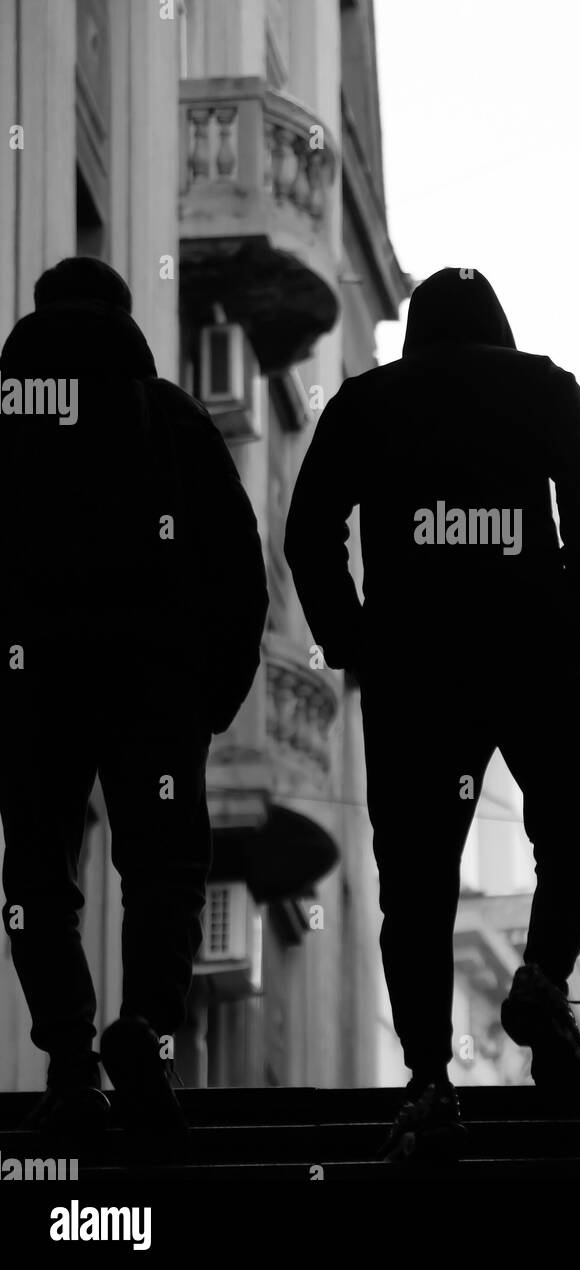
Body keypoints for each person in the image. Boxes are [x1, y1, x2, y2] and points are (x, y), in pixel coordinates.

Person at [285, 267, 580, 1162]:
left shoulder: (368, 403)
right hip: (535, 647)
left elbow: (307, 527)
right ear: (496, 329)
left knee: (418, 876)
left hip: (416, 662)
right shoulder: (543, 387)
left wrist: (351, 634)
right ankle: (543, 979)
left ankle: (430, 1083)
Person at [0, 258, 268, 1137]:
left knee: (39, 872)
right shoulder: (172, 416)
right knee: (165, 868)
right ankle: (146, 1030)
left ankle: (70, 1062)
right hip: (154, 686)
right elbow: (240, 570)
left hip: (33, 683)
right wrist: (208, 699)